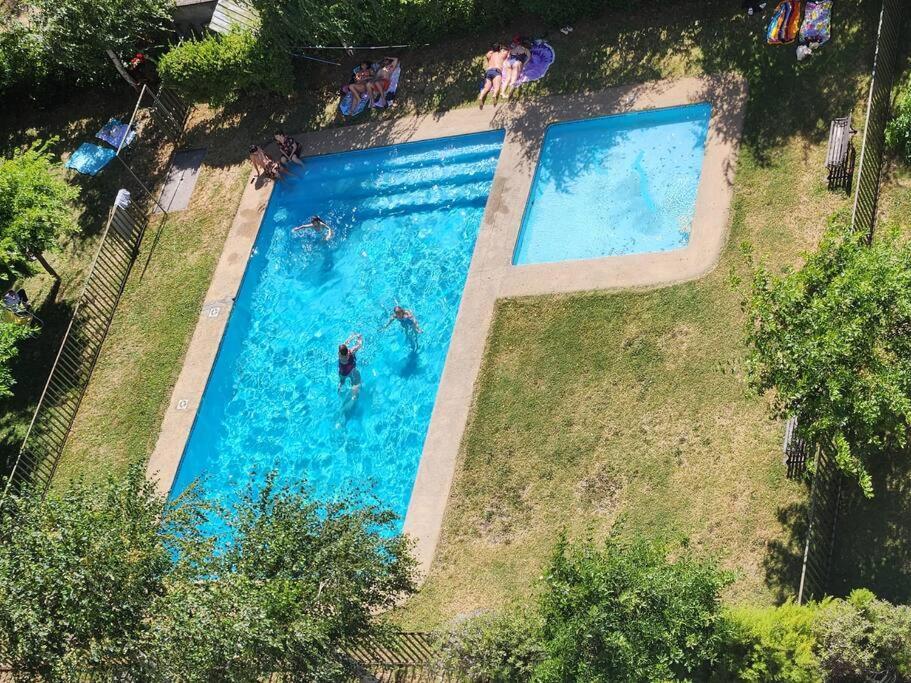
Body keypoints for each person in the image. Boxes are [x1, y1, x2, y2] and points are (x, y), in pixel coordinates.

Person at [478, 43, 509, 109]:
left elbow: (487, 55)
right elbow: (507, 52)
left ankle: (481, 96)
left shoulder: (490, 55)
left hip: (488, 71)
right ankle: (494, 95)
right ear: (499, 48)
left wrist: (491, 51)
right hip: (496, 71)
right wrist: (503, 50)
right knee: (496, 86)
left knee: (486, 88)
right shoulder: (501, 54)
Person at [337, 333, 363, 398]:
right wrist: (359, 337)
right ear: (347, 351)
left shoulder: (339, 356)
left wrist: (350, 337)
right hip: (352, 369)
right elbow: (359, 345)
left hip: (342, 373)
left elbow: (345, 343)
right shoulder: (351, 352)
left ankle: (339, 389)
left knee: (342, 381)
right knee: (355, 381)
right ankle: (354, 395)